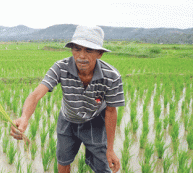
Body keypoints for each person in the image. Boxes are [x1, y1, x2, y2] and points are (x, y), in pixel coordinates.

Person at [10, 25, 125, 173]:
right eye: (77, 49)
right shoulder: (60, 67)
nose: (81, 56)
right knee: (63, 161)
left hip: (95, 122)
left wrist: (110, 149)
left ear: (100, 53)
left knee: (103, 167)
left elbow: (110, 111)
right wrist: (24, 117)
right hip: (67, 121)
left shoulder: (112, 76)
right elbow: (36, 94)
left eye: (88, 50)